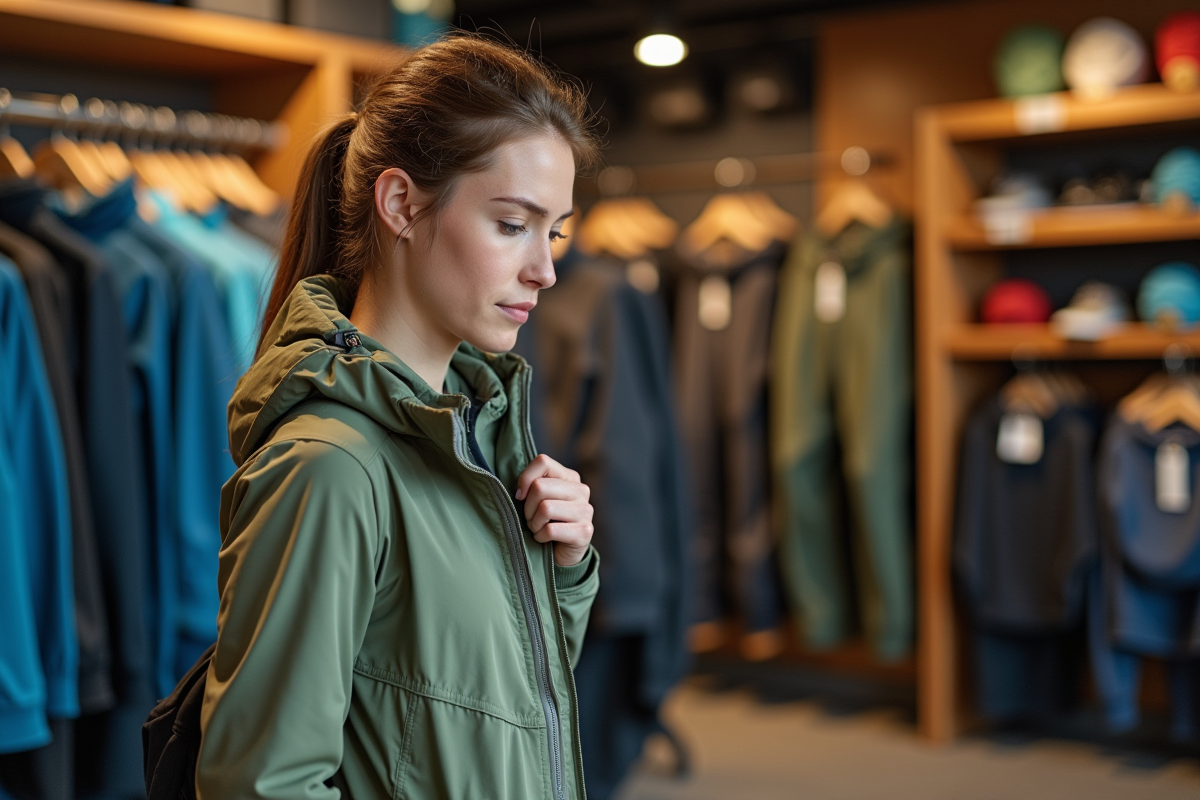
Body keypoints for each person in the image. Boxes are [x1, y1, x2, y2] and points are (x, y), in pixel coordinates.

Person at [196, 35, 602, 799]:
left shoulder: (476, 437)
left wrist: (564, 569)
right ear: (401, 204)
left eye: (554, 231)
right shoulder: (330, 467)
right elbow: (261, 784)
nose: (545, 268)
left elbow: (497, 713)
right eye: (513, 224)